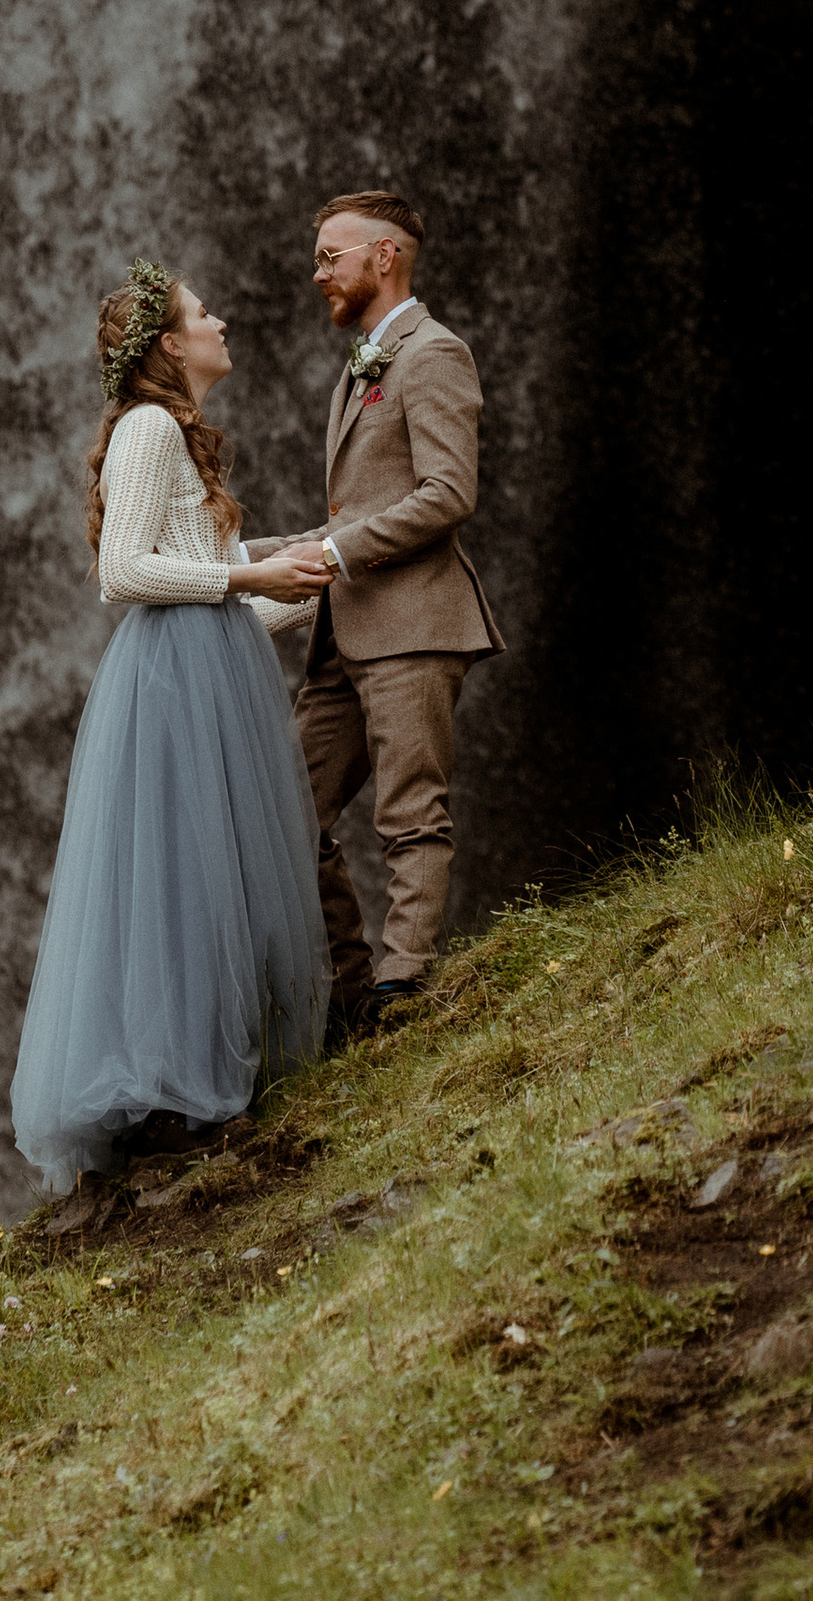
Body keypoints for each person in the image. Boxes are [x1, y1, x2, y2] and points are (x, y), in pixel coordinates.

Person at [10, 257, 335, 1195]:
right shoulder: (149, 427)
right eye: (204, 312)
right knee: (177, 879)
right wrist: (253, 576)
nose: (222, 321)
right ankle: (167, 1093)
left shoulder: (180, 436)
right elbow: (125, 574)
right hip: (172, 687)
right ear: (168, 343)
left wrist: (319, 581)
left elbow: (222, 598)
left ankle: (196, 1080)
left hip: (207, 673)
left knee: (205, 878)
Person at [255, 188, 505, 1033]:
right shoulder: (362, 361)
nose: (317, 271)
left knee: (410, 809)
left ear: (384, 257)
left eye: (332, 256)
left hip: (413, 624)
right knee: (280, 805)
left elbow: (447, 494)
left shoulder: (434, 353)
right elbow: (355, 512)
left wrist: (331, 555)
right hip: (345, 629)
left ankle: (405, 988)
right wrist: (242, 561)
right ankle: (353, 985)